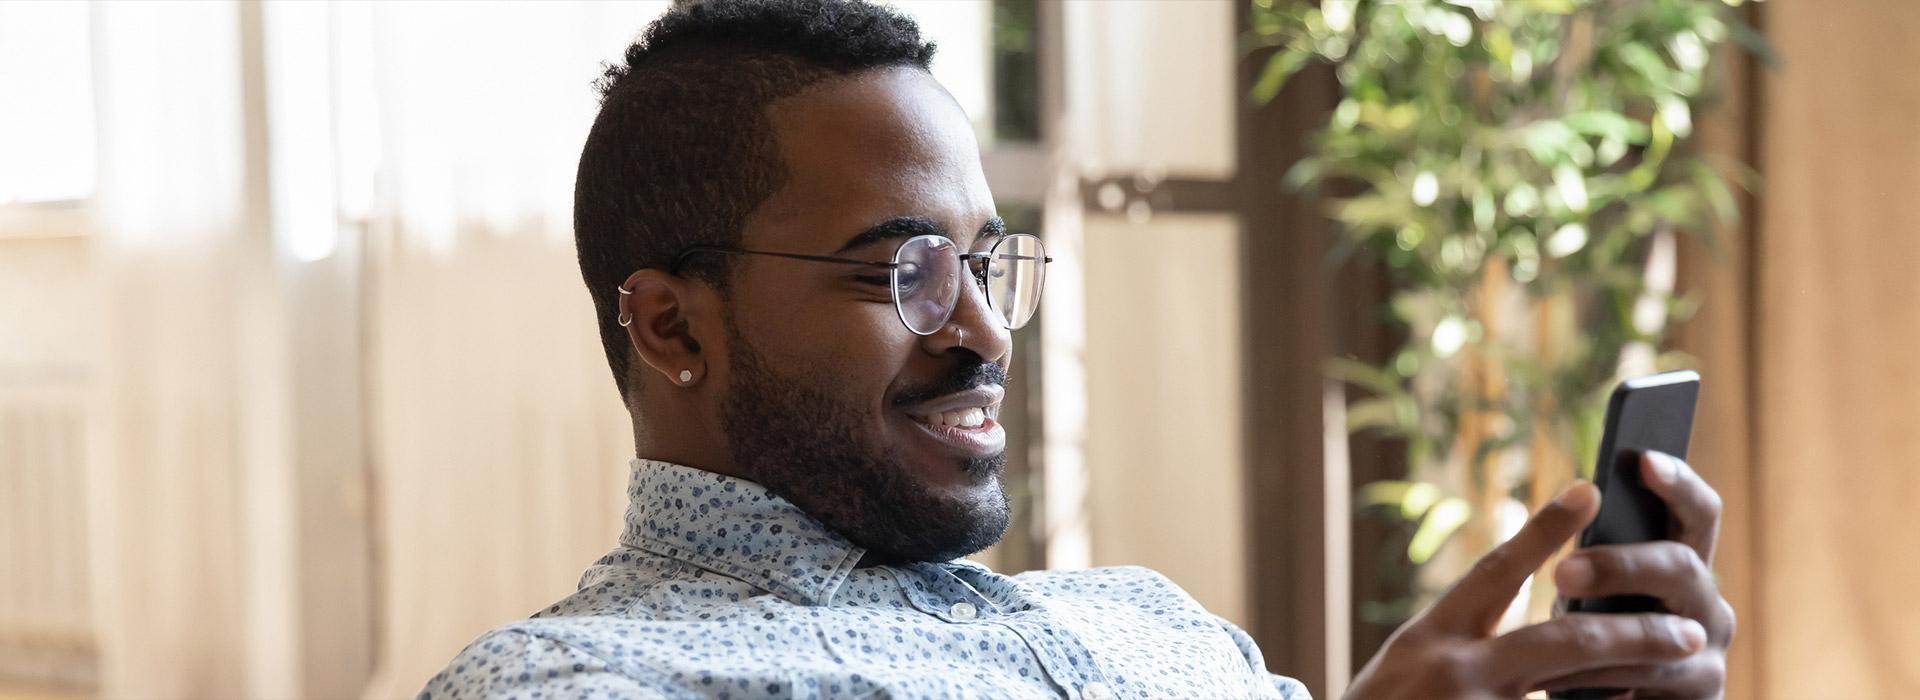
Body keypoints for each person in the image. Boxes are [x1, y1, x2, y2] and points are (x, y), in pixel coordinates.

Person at [419, 1, 1734, 697]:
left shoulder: (1152, 626)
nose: (986, 330)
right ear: (670, 325)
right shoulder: (567, 684)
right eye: (905, 273)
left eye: (986, 261)